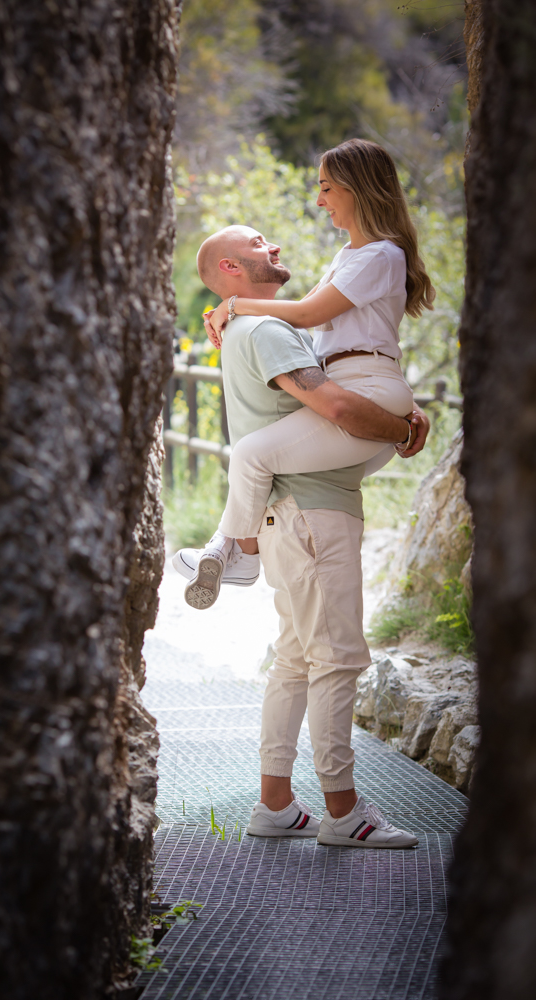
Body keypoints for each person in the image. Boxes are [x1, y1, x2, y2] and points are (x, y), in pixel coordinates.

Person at [171, 203, 430, 848]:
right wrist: (401, 430)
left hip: (284, 516)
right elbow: (336, 405)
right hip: (313, 513)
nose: (276, 244)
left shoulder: (246, 329)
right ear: (233, 267)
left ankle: (275, 806)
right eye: (260, 242)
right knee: (338, 660)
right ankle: (345, 815)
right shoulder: (271, 332)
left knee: (293, 662)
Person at [176, 138, 434, 612]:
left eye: (326, 188)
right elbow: (301, 322)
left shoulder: (380, 255)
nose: (319, 200)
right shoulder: (350, 257)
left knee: (251, 453)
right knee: (266, 460)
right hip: (366, 381)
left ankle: (240, 552)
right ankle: (229, 546)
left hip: (366, 382)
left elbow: (307, 314)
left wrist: (231, 304)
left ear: (357, 190)